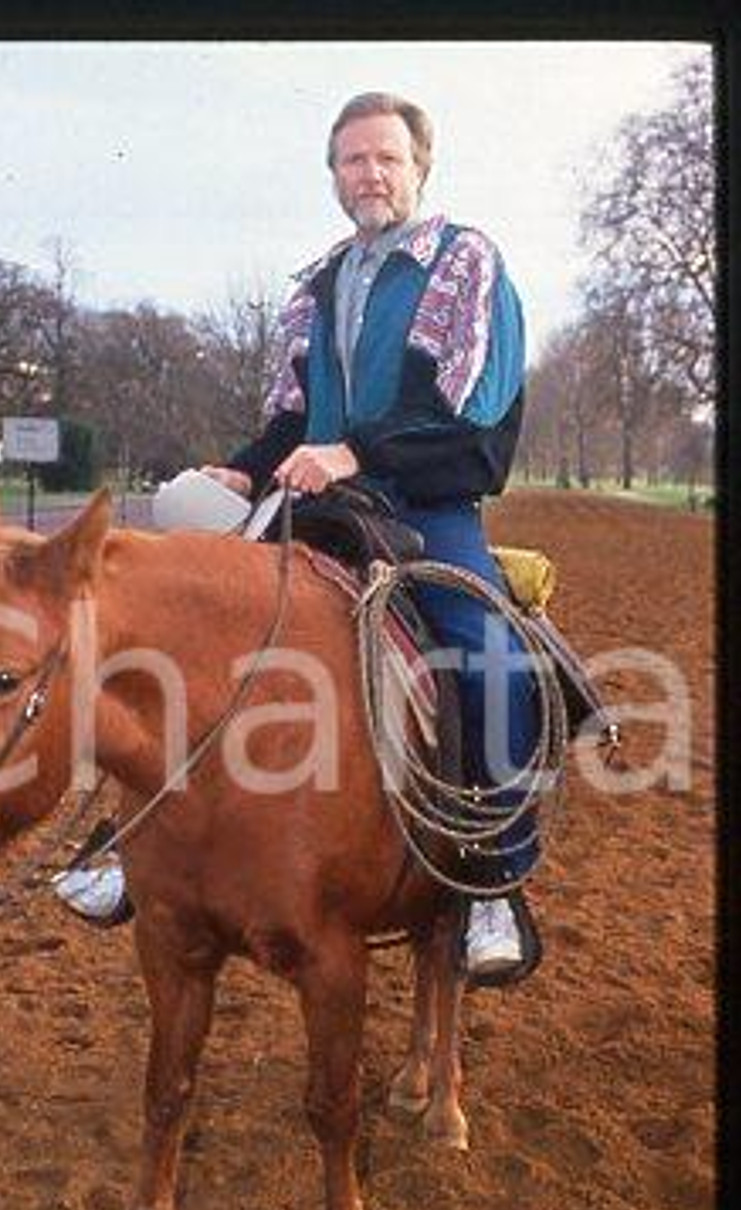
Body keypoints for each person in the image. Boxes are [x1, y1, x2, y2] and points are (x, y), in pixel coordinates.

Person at [58, 90, 538, 982]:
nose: (371, 174)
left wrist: (357, 453)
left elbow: (473, 421)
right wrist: (244, 472)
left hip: (425, 510)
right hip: (311, 505)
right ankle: (130, 841)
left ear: (421, 167)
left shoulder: (466, 263)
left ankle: (494, 881)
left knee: (493, 659)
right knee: (180, 630)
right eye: (354, 159)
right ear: (334, 175)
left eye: (388, 158)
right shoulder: (319, 285)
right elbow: (290, 424)